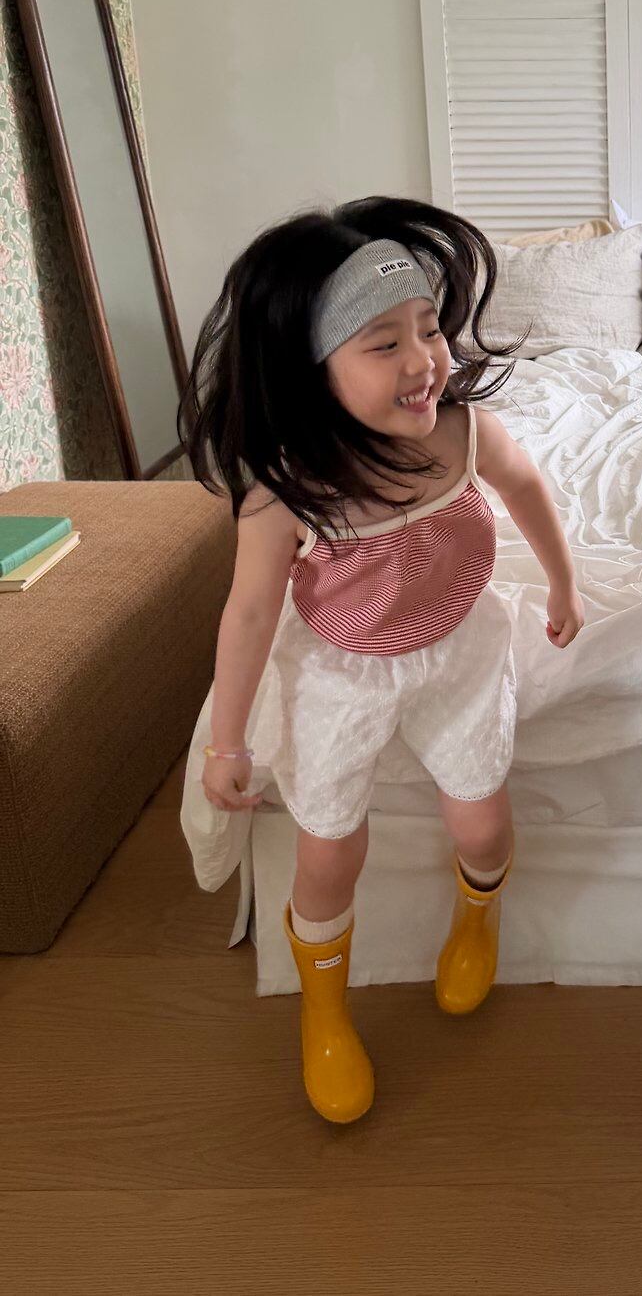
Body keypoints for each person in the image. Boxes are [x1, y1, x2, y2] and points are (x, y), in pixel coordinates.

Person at [180, 196, 584, 1123]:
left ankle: (476, 921)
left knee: (482, 827)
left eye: (430, 329)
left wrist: (564, 583)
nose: (423, 361)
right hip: (341, 667)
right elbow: (250, 612)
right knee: (329, 852)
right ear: (315, 369)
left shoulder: (461, 434)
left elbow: (527, 485)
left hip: (457, 648)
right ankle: (324, 1009)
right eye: (383, 343)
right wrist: (226, 741)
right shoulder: (289, 489)